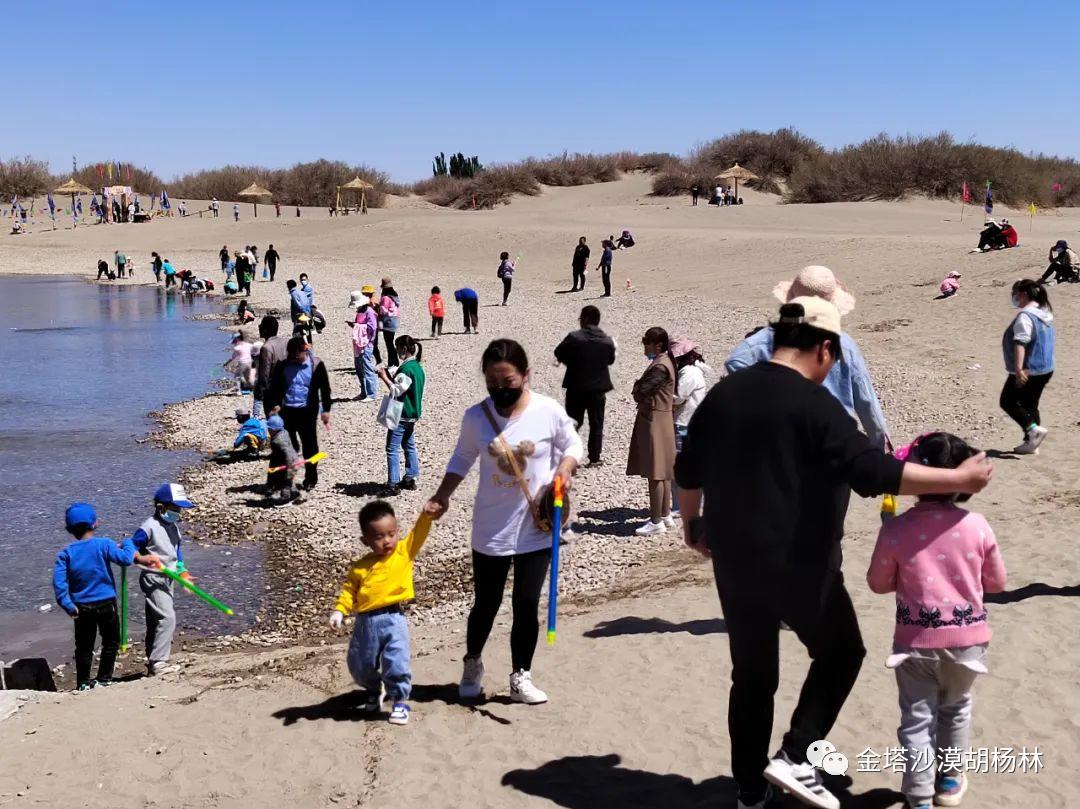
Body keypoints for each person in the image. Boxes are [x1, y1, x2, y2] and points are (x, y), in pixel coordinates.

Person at [675, 297, 993, 809]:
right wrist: (959, 478)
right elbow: (873, 471)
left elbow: (687, 471)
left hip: (736, 560)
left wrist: (693, 524)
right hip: (801, 563)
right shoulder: (813, 402)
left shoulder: (724, 395)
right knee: (842, 652)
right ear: (824, 349)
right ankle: (796, 754)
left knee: (753, 675)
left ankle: (749, 793)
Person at [424, 339, 583, 705]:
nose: (500, 390)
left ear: (526, 375)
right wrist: (442, 495)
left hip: (536, 524)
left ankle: (520, 676)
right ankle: (472, 662)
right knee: (487, 602)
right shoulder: (476, 417)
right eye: (492, 383)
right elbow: (461, 459)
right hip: (491, 526)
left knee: (526, 602)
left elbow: (572, 444)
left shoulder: (548, 410)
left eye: (508, 382)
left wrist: (564, 468)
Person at [867, 432, 1007, 809]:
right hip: (968, 640)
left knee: (917, 719)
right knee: (956, 708)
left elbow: (877, 584)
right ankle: (948, 781)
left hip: (915, 641)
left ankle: (918, 796)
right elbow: (996, 582)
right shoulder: (977, 525)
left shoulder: (895, 529)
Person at [725, 265, 889, 450]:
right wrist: (881, 446)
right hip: (837, 442)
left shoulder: (758, 344)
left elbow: (735, 363)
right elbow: (866, 400)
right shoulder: (844, 343)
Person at [329, 502, 433, 725]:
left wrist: (426, 516)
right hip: (365, 622)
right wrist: (340, 611)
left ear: (397, 532)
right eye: (378, 537)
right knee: (360, 663)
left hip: (394, 619)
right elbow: (349, 592)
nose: (387, 541)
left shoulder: (404, 552)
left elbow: (419, 533)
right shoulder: (360, 567)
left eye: (391, 534)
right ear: (365, 541)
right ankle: (374, 689)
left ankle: (399, 701)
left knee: (396, 661)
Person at [53, 503, 159, 690]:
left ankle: (84, 683)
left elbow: (59, 584)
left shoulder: (66, 553)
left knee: (84, 647)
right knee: (111, 641)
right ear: (95, 524)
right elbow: (125, 559)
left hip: (81, 607)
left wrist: (67, 605)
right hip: (106, 604)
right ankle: (104, 678)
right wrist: (128, 543)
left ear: (69, 529)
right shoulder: (104, 544)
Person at [132, 483, 197, 677]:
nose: (178, 512)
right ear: (161, 507)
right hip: (153, 578)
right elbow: (132, 547)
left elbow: (176, 552)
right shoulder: (148, 527)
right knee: (167, 618)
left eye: (179, 509)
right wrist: (138, 557)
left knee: (155, 620)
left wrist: (183, 571)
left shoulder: (173, 527)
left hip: (169, 577)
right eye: (175, 508)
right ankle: (159, 662)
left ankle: (153, 661)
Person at [627, 326, 677, 535]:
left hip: (654, 419)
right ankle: (665, 515)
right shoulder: (667, 362)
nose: (645, 348)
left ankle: (656, 520)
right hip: (663, 418)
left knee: (655, 472)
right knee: (664, 471)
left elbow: (640, 392)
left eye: (647, 343)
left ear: (657, 345)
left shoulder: (659, 367)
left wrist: (637, 386)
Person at [264, 337, 332, 490]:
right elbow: (274, 387)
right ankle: (280, 480)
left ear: (305, 351)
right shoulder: (283, 365)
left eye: (296, 355)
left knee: (310, 446)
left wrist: (326, 409)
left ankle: (311, 479)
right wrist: (275, 405)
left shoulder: (316, 365)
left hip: (307, 411)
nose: (293, 358)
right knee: (285, 446)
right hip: (287, 411)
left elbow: (325, 389)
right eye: (291, 355)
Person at [554, 305, 616, 466]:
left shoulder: (574, 338)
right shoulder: (607, 341)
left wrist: (572, 362)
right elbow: (610, 360)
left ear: (586, 319)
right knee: (596, 423)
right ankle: (594, 458)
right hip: (598, 388)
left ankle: (569, 456)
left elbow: (558, 352)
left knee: (573, 423)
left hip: (576, 386)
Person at [1000, 279, 1055, 455]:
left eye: (1016, 294)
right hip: (1045, 367)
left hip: (1029, 368)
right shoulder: (1044, 313)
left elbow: (1021, 342)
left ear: (1023, 294)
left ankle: (1032, 431)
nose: (1015, 297)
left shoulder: (1026, 316)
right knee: (1030, 404)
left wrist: (1018, 368)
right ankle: (1032, 444)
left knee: (1008, 401)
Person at [378, 335, 426, 495]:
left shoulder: (407, 369)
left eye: (397, 347)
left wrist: (384, 377)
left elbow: (397, 390)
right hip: (413, 413)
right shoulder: (417, 367)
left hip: (402, 413)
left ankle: (393, 484)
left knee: (392, 448)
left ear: (404, 349)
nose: (396, 350)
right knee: (408, 444)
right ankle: (410, 476)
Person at [670, 338, 710, 516]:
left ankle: (681, 506)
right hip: (692, 423)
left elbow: (678, 397)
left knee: (679, 467)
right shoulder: (696, 370)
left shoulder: (689, 373)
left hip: (683, 423)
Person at [265, 414, 306, 507]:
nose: (268, 430)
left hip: (289, 462)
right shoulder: (284, 432)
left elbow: (288, 453)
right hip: (288, 460)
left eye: (269, 428)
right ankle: (295, 494)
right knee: (288, 480)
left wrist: (289, 467)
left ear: (273, 429)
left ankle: (285, 499)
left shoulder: (278, 441)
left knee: (284, 482)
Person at [255, 316, 289, 417]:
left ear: (265, 329)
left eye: (261, 326)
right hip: (287, 388)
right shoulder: (286, 342)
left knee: (274, 422)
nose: (259, 327)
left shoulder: (266, 347)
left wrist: (260, 394)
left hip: (274, 391)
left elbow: (264, 374)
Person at [349, 289, 378, 402]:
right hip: (358, 344)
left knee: (367, 367)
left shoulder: (369, 312)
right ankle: (364, 392)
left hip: (367, 344)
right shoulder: (360, 312)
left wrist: (357, 326)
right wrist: (355, 325)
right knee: (359, 368)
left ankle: (372, 393)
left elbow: (372, 327)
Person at [379, 278, 401, 366]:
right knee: (390, 342)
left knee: (389, 344)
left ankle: (392, 362)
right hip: (394, 320)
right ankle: (394, 362)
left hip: (388, 321)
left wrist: (377, 307)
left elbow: (383, 310)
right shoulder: (395, 296)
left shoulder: (385, 298)